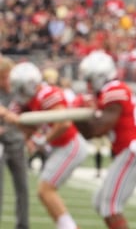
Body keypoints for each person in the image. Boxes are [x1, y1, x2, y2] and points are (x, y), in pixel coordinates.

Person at [0, 62, 89, 229]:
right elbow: (24, 125)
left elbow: (64, 123)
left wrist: (43, 139)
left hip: (70, 145)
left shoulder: (46, 94)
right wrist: (19, 124)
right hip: (58, 147)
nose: (16, 92)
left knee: (45, 189)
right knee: (44, 191)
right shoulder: (29, 99)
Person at [73, 50, 136, 229]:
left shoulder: (114, 89)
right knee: (99, 202)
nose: (87, 85)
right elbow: (90, 133)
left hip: (135, 150)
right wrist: (78, 116)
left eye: (89, 79)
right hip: (129, 151)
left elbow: (98, 129)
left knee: (110, 207)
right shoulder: (109, 91)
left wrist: (79, 113)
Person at [0, 56, 29, 229]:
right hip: (0, 145)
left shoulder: (19, 91)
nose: (7, 81)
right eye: (3, 77)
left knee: (23, 188)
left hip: (17, 143)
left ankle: (23, 225)